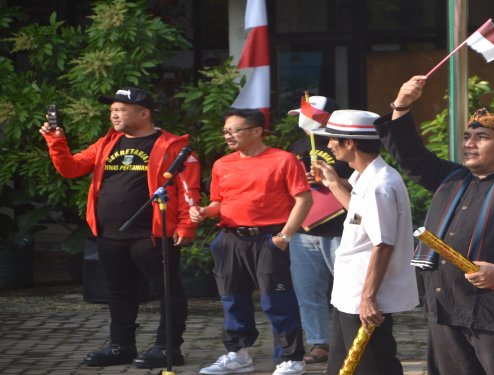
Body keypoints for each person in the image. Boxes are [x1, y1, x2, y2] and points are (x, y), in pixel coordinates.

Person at [374, 76, 494, 374]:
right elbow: (410, 156)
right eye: (467, 137)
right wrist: (402, 105)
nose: (469, 144)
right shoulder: (450, 178)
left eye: (481, 138)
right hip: (445, 307)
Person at [39, 87, 201, 368]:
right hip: (110, 233)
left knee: (167, 290)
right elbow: (72, 168)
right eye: (112, 109)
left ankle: (167, 348)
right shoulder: (106, 143)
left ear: (144, 113)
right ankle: (121, 346)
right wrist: (56, 141)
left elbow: (189, 189)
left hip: (151, 234)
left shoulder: (172, 146)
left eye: (120, 109)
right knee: (119, 292)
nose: (113, 114)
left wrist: (186, 226)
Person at [191, 108, 312, 375]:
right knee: (232, 299)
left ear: (257, 131)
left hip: (269, 238)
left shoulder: (284, 160)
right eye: (225, 131)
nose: (228, 136)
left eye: (234, 130)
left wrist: (284, 236)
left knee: (276, 300)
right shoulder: (223, 164)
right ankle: (238, 354)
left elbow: (304, 199)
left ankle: (291, 358)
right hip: (230, 239)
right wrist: (203, 212)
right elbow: (218, 203)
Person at [312, 109, 418, 375]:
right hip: (350, 293)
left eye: (332, 139)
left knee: (372, 365)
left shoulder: (380, 184)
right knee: (345, 364)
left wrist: (368, 298)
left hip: (364, 293)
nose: (328, 145)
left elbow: (383, 244)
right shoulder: (364, 176)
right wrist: (334, 184)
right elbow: (361, 219)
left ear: (349, 143)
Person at [287, 96, 353, 364]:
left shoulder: (344, 144)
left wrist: (335, 180)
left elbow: (363, 181)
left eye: (309, 115)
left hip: (339, 228)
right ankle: (319, 342)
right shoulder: (298, 146)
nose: (303, 122)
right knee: (307, 291)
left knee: (348, 289)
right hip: (303, 230)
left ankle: (350, 340)